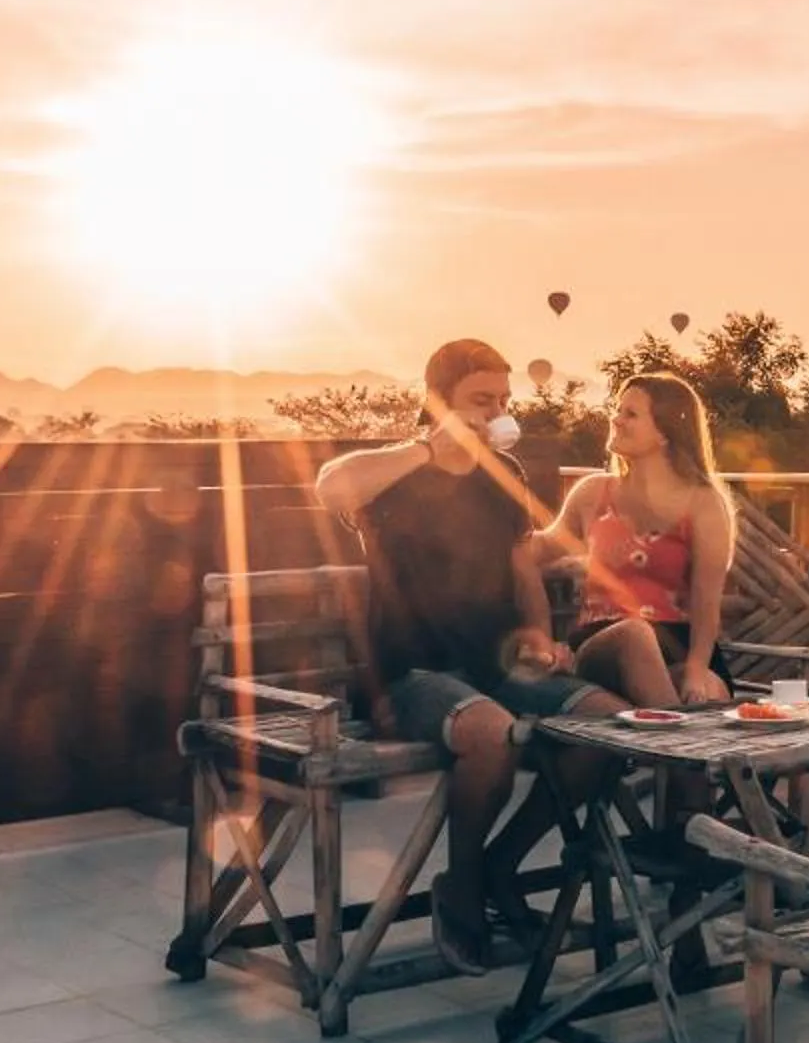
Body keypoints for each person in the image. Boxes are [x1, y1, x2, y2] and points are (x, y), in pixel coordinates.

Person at [314, 337, 618, 974]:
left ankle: (494, 866)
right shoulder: (397, 471)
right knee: (492, 734)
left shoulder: (505, 475)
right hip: (409, 673)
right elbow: (332, 486)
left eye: (503, 400)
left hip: (498, 666)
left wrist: (540, 633)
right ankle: (464, 886)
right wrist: (430, 446)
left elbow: (523, 571)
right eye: (482, 400)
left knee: (608, 728)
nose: (496, 412)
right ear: (439, 401)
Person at [544, 373, 739, 708]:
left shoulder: (703, 503)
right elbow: (541, 548)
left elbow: (706, 602)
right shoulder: (593, 493)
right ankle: (674, 753)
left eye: (630, 414)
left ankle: (681, 748)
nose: (615, 419)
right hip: (604, 641)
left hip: (675, 644)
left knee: (710, 690)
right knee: (635, 633)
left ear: (665, 432)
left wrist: (695, 669)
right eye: (617, 410)